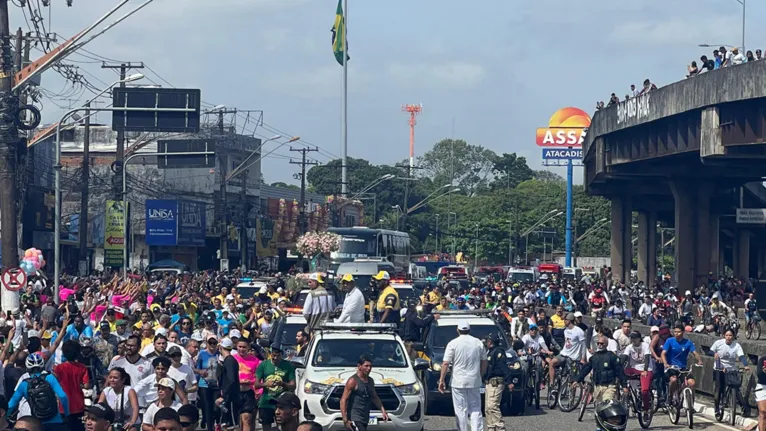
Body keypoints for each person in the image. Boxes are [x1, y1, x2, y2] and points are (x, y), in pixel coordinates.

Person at [438, 320, 487, 431]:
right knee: (475, 409)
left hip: (458, 381)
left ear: (457, 330)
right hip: (474, 380)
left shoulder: (453, 343)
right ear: (469, 330)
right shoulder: (478, 342)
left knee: (460, 410)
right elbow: (484, 361)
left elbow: (445, 363)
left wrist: (441, 380)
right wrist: (480, 375)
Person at [8, 353, 70, 430]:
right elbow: (63, 396)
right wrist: (67, 414)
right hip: (55, 421)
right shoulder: (50, 378)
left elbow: (12, 404)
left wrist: (7, 417)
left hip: (36, 424)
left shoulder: (24, 384)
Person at [339, 356, 389, 431]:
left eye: (370, 366)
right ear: (359, 366)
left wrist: (383, 410)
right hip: (354, 418)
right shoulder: (353, 381)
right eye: (366, 366)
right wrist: (345, 420)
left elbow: (374, 397)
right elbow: (343, 400)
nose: (369, 368)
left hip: (365, 418)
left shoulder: (370, 381)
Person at [254, 345, 296, 430]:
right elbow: (256, 385)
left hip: (282, 402)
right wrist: (266, 384)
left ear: (282, 355)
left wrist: (283, 384)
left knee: (284, 427)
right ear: (270, 354)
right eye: (273, 355)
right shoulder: (264, 365)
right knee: (266, 428)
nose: (275, 358)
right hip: (266, 402)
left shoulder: (288, 366)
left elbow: (293, 386)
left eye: (278, 356)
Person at [576, 336, 628, 403]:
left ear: (606, 344)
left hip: (609, 386)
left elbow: (620, 371)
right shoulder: (594, 357)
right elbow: (586, 369)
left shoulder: (612, 356)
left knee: (607, 404)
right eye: (598, 343)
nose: (600, 345)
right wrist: (577, 380)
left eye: (602, 343)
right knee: (599, 409)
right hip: (597, 387)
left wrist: (624, 386)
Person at [661, 323, 703, 405]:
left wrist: (699, 360)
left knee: (692, 383)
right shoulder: (669, 341)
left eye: (679, 332)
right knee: (673, 380)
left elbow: (695, 353)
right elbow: (663, 353)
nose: (676, 334)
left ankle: (691, 405)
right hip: (671, 367)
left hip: (682, 368)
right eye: (675, 332)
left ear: (683, 332)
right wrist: (665, 363)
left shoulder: (688, 342)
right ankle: (670, 396)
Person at [53, 341, 89, 431]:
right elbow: (87, 385)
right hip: (78, 405)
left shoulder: (58, 368)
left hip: (63, 406)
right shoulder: (82, 367)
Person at [710, 329, 747, 416]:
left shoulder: (736, 346)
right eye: (727, 335)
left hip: (731, 369)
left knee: (735, 387)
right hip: (719, 368)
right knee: (719, 387)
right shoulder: (719, 343)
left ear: (733, 337)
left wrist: (746, 365)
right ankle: (717, 409)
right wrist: (714, 354)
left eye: (730, 335)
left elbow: (741, 356)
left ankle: (743, 407)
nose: (728, 337)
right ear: (724, 336)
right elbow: (710, 351)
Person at [549, 313, 586, 394]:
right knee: (552, 363)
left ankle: (571, 398)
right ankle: (552, 385)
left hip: (573, 357)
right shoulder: (565, 330)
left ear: (569, 320)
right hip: (564, 354)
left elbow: (583, 346)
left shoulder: (579, 331)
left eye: (565, 320)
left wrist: (583, 358)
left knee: (573, 379)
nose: (564, 321)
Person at [484, 334, 512, 431]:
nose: (486, 342)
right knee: (488, 408)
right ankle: (491, 428)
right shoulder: (490, 352)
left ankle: (500, 428)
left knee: (493, 406)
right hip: (489, 383)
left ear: (491, 342)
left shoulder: (498, 352)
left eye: (487, 340)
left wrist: (509, 382)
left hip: (496, 383)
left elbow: (504, 368)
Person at [232, 339, 260, 431]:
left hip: (248, 391)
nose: (242, 349)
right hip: (235, 392)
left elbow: (258, 378)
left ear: (248, 348)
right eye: (240, 347)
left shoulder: (255, 361)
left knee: (247, 418)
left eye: (244, 347)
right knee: (237, 422)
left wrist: (250, 382)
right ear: (236, 347)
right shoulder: (232, 359)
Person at [623, 331, 653, 414]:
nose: (633, 340)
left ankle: (646, 409)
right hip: (634, 368)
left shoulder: (645, 345)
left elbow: (647, 358)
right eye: (631, 338)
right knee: (621, 374)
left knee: (645, 390)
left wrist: (645, 370)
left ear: (639, 339)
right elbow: (624, 357)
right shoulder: (629, 347)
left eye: (634, 338)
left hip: (646, 369)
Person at [194, 336, 219, 431]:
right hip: (204, 384)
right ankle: (210, 427)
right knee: (207, 406)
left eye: (214, 343)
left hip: (216, 385)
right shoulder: (202, 354)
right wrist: (200, 373)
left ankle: (213, 420)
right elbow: (197, 368)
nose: (212, 345)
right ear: (207, 343)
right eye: (210, 342)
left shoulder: (219, 354)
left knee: (216, 407)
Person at [215, 338, 240, 429]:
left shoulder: (230, 361)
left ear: (221, 347)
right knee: (225, 424)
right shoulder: (228, 361)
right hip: (228, 398)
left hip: (231, 399)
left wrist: (223, 396)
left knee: (232, 425)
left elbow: (231, 380)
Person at [755, 353, 766, 431]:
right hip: (762, 387)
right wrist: (764, 372)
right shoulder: (762, 360)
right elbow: (759, 375)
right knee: (763, 412)